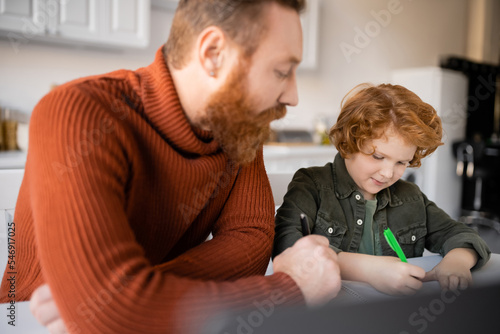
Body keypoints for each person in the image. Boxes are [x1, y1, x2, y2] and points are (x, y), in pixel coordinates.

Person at [0, 1, 342, 333]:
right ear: (213, 53)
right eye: (282, 71)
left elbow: (250, 243)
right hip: (30, 322)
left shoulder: (238, 125)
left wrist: (133, 293)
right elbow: (105, 314)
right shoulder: (77, 112)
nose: (293, 95)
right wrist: (292, 290)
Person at [273, 83, 491, 296]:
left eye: (401, 163)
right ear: (349, 142)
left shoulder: (409, 197)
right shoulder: (311, 185)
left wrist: (456, 263)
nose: (388, 174)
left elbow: (463, 235)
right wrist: (369, 270)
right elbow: (286, 247)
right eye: (378, 157)